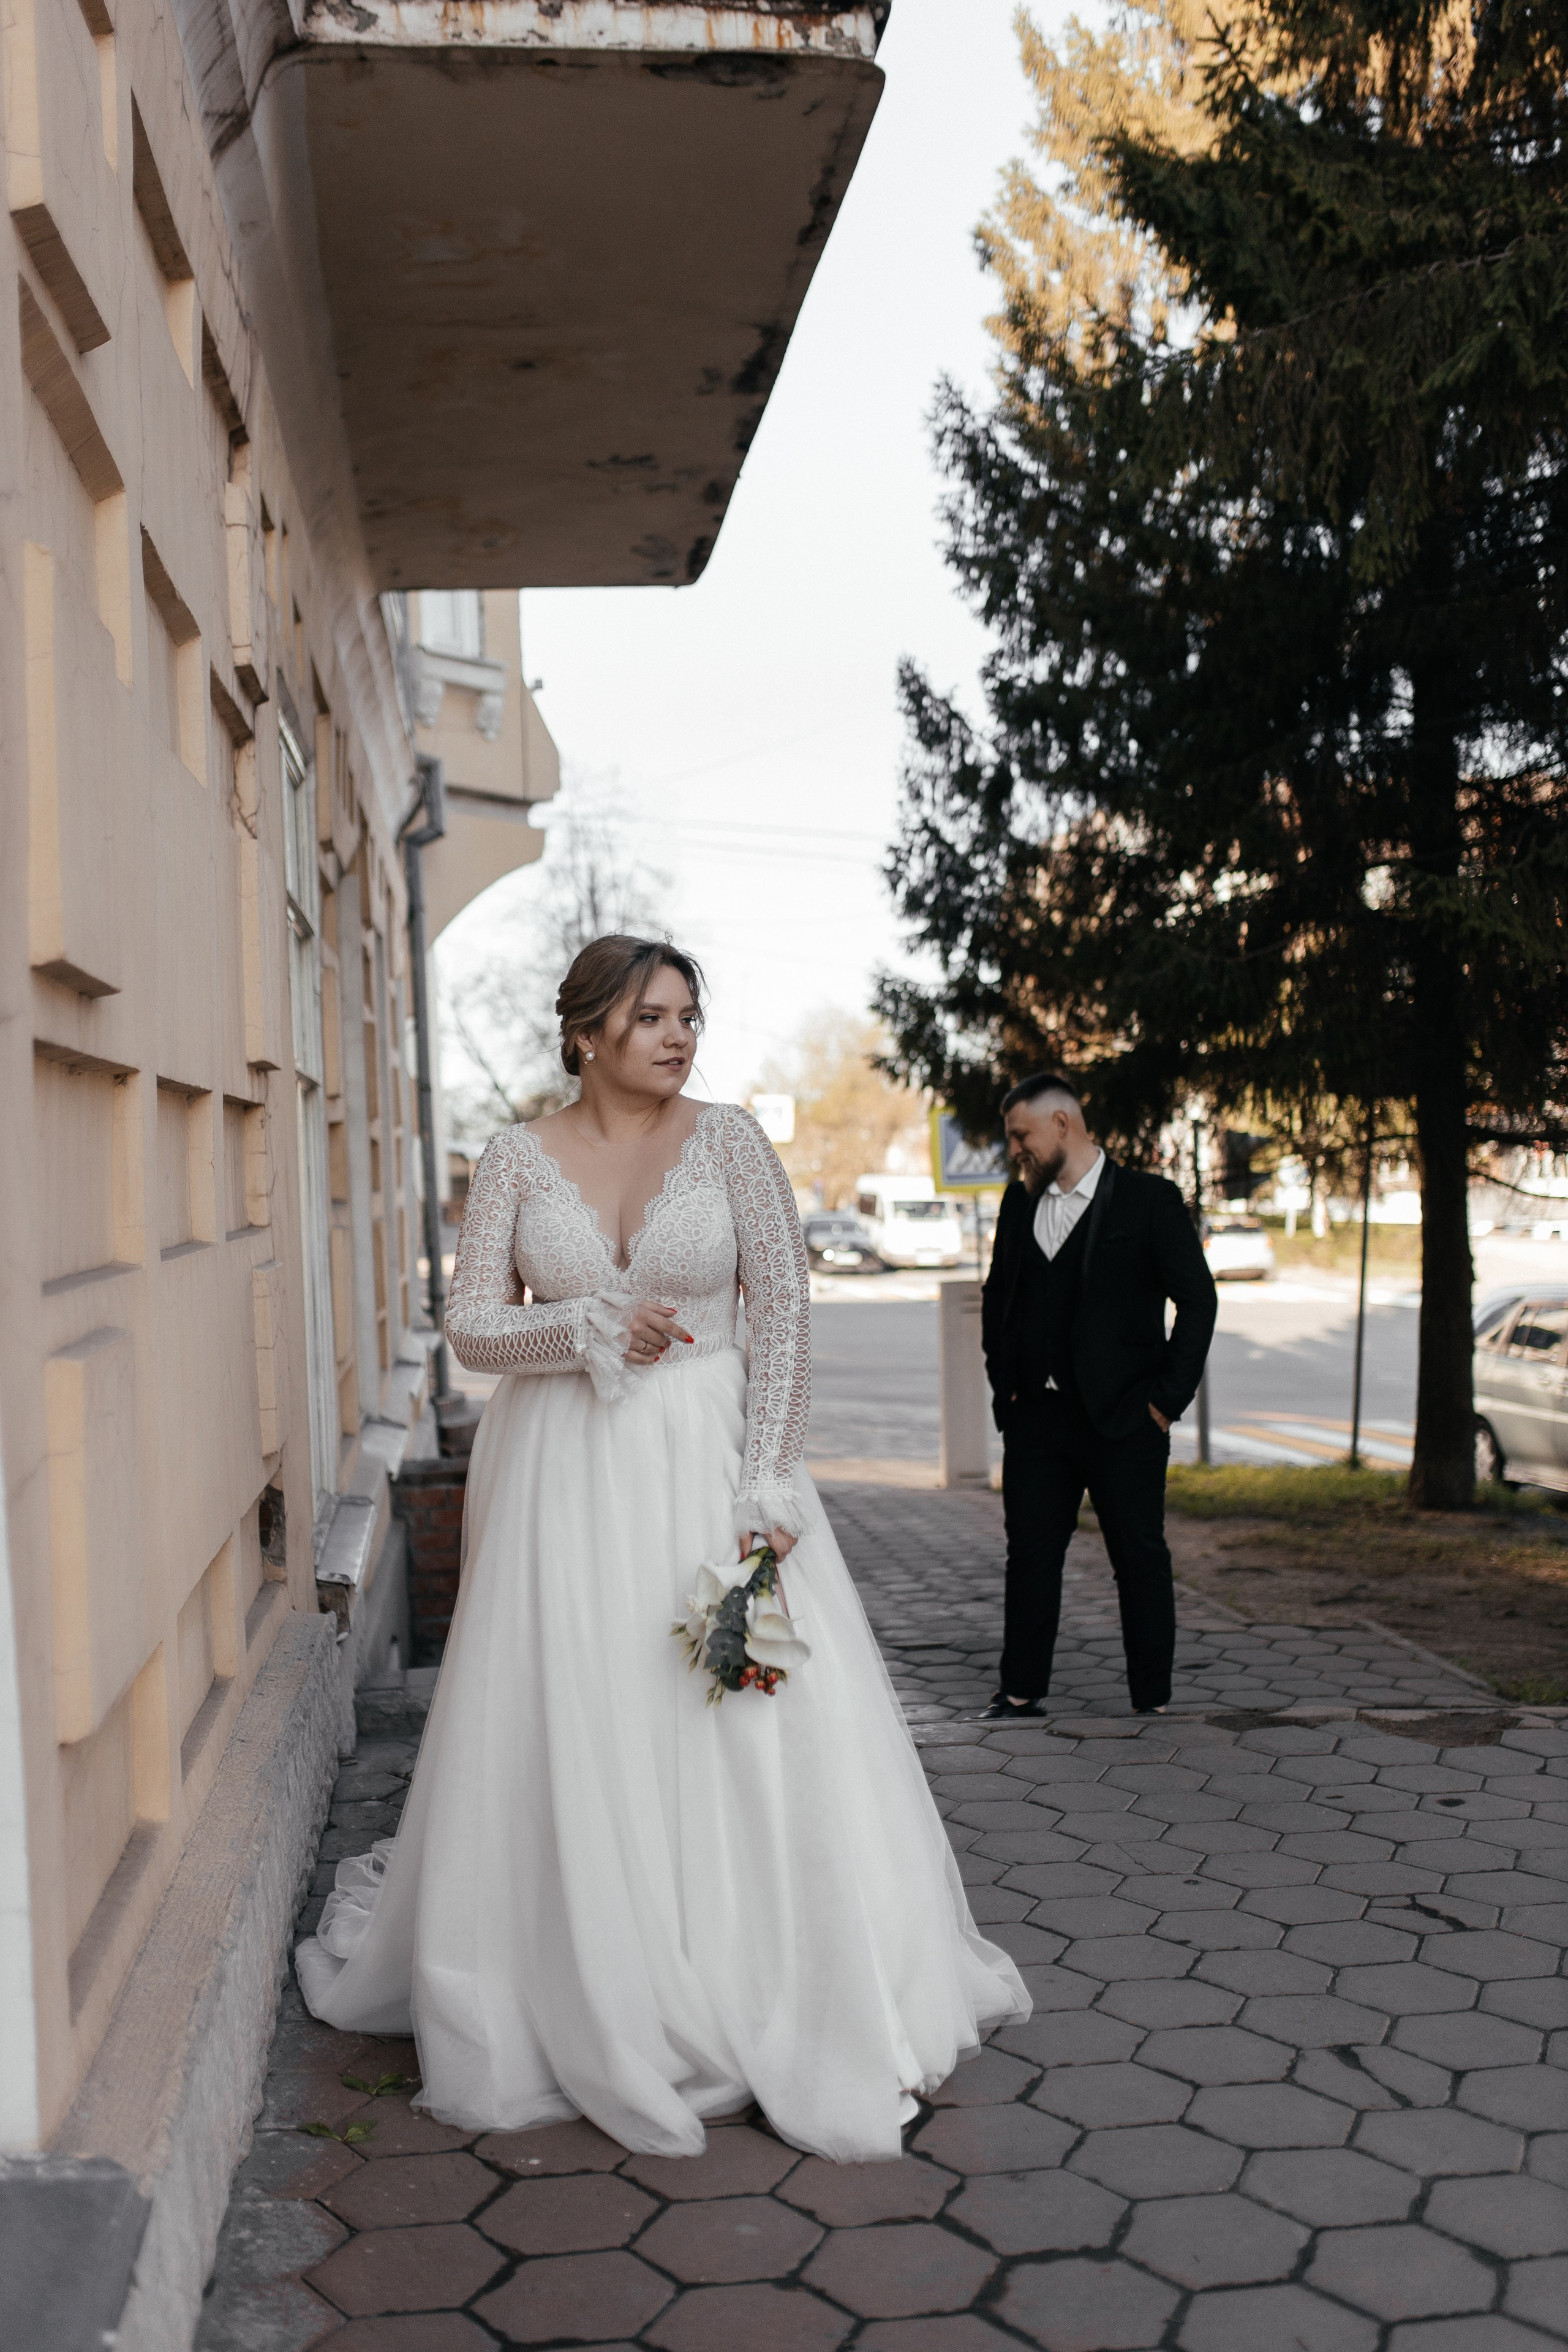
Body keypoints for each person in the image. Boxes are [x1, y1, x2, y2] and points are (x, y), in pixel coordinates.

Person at [296, 935, 1027, 2161]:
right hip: (562, 1476)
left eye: (689, 1014)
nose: (679, 1035)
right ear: (586, 1033)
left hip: (707, 1463)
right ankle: (599, 1968)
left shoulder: (732, 1142)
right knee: (586, 1705)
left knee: (729, 1706)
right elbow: (471, 1326)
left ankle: (762, 1969)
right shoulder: (517, 1158)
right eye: (650, 1017)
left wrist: (766, 1473)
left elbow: (782, 1308)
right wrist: (579, 1325)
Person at [980, 1071, 1217, 1719]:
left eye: (1021, 1135)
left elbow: (1198, 1302)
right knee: (1030, 1558)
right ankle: (1019, 1690)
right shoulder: (1018, 1203)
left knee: (1139, 1559)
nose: (1015, 1149)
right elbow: (999, 1299)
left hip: (1126, 1420)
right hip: (1037, 1418)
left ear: (1062, 1125)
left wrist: (1164, 1403)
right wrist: (1006, 1390)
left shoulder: (1148, 1200)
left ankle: (1152, 1698)